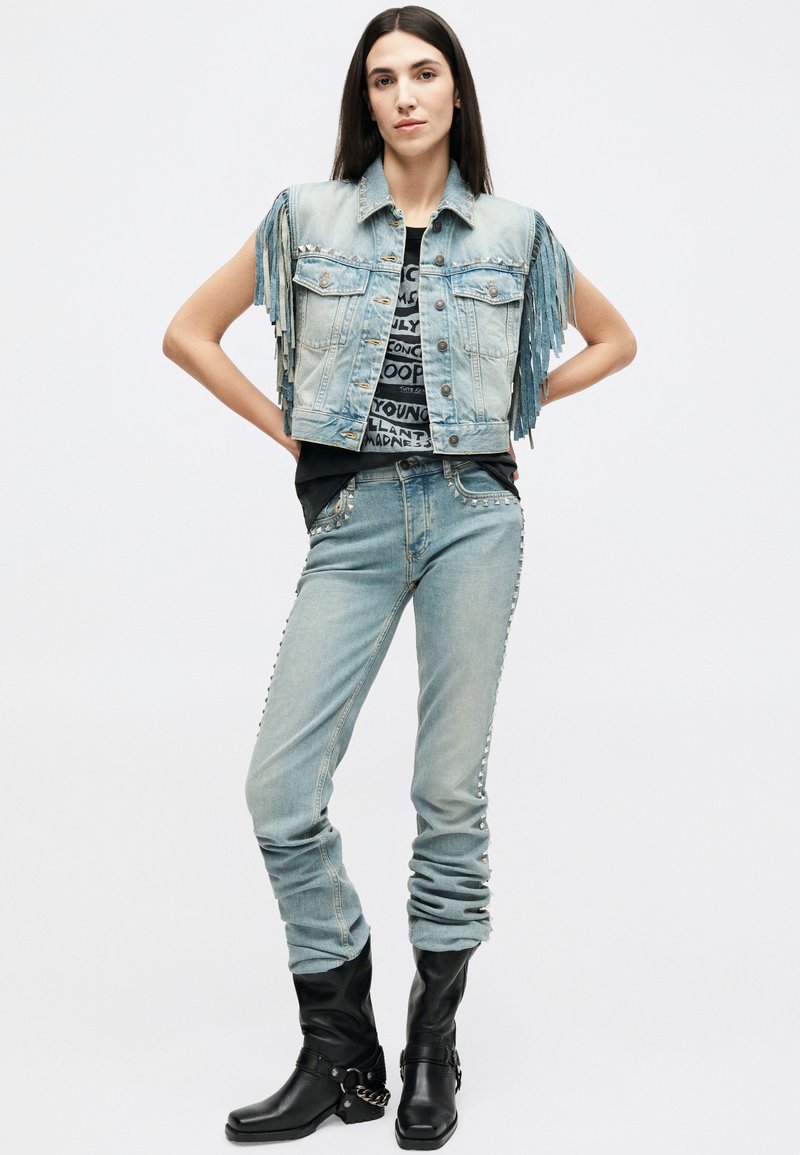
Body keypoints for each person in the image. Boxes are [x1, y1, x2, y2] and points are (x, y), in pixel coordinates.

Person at [162, 6, 636, 1149]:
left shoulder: (516, 233)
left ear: (455, 93)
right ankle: (340, 1052)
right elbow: (188, 331)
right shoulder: (305, 215)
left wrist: (512, 397)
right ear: (364, 101)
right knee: (280, 787)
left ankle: (431, 1046)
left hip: (475, 514)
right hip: (356, 514)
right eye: (382, 79)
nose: (404, 95)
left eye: (424, 74)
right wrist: (290, 428)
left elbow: (612, 339)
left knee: (447, 789)